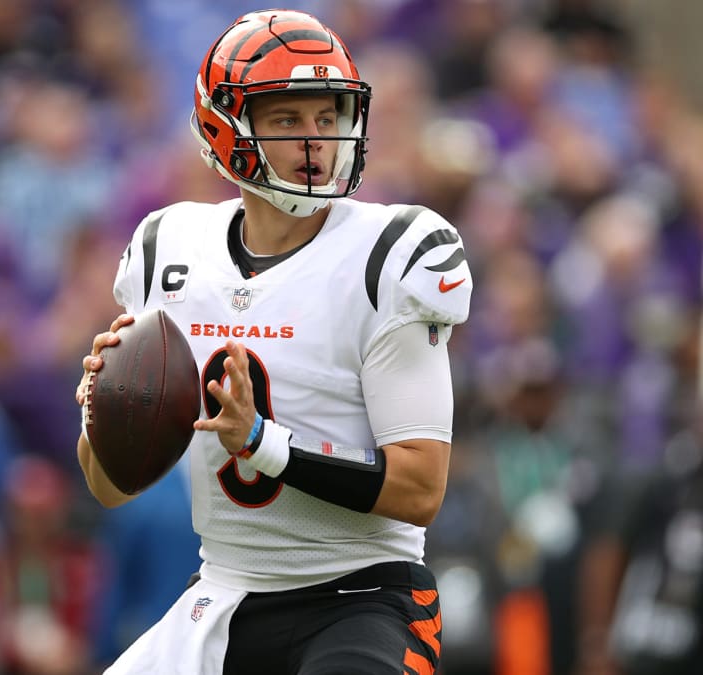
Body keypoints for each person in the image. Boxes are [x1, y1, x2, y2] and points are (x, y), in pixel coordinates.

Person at [74, 10, 472, 674]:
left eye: (328, 116)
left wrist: (263, 444)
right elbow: (108, 488)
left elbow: (420, 487)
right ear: (222, 126)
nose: (315, 141)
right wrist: (105, 409)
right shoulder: (168, 248)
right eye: (287, 119)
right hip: (224, 594)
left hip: (362, 596)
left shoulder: (392, 252)